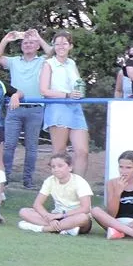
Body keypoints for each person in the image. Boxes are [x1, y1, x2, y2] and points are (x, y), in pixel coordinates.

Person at [0, 28, 48, 189]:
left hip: (35, 108)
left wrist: (38, 36)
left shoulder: (43, 60)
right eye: (25, 42)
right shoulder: (15, 61)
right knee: (9, 145)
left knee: (31, 146)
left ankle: (28, 180)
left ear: (37, 46)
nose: (28, 45)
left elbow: (53, 53)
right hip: (15, 107)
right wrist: (6, 39)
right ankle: (6, 178)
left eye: (32, 43)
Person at [39, 31, 89, 177]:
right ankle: (59, 188)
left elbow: (78, 84)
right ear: (53, 46)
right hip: (58, 107)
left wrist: (79, 92)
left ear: (70, 46)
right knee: (60, 151)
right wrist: (67, 95)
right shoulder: (49, 64)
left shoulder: (72, 63)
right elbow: (44, 90)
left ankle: (78, 188)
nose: (61, 46)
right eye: (57, 43)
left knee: (82, 151)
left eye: (64, 43)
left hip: (75, 108)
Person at [18, 153, 93, 234]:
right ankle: (66, 229)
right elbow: (37, 204)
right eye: (53, 167)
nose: (56, 169)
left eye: (60, 166)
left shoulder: (79, 181)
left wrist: (62, 215)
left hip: (73, 216)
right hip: (55, 216)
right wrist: (49, 217)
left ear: (70, 167)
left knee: (83, 218)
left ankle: (43, 229)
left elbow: (86, 208)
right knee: (24, 211)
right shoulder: (50, 181)